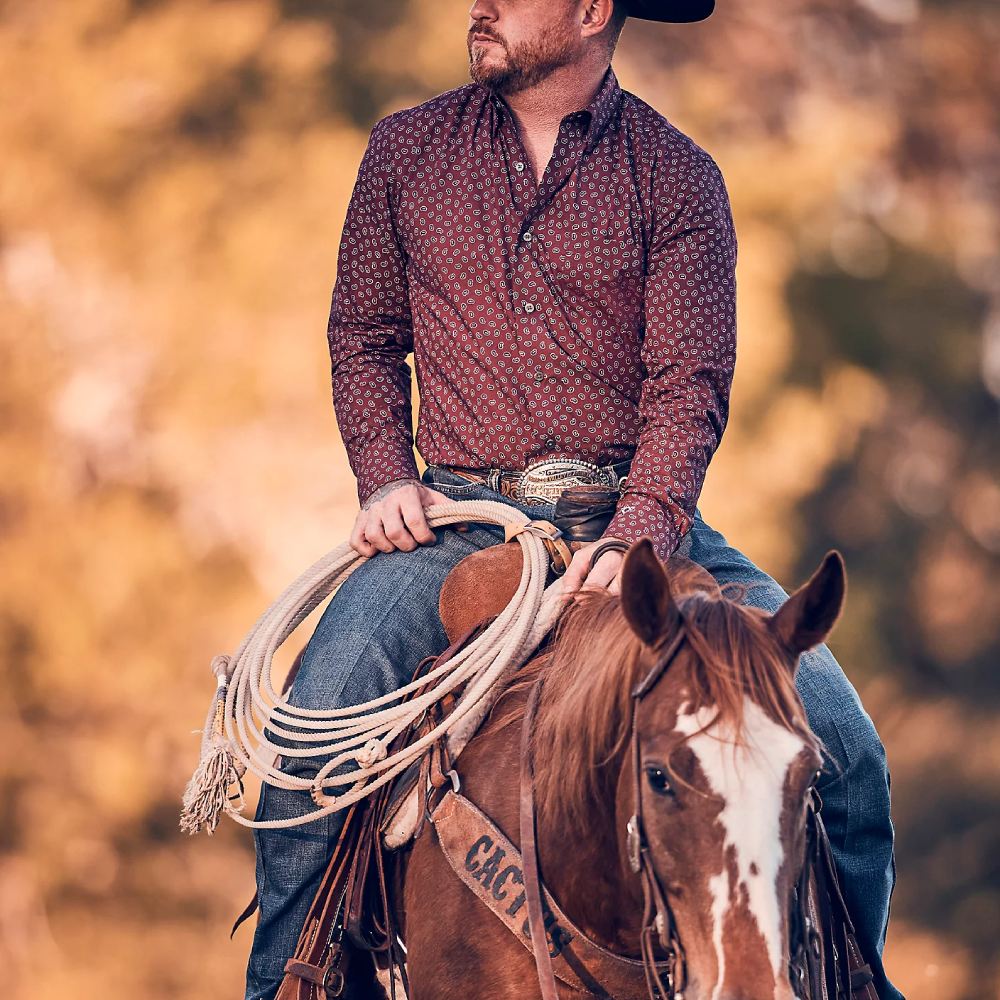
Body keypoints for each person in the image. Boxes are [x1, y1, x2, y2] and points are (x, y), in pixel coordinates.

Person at [244, 2, 903, 998]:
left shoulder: (676, 176)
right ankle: (290, 986)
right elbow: (364, 333)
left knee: (846, 756)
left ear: (592, 10)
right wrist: (384, 474)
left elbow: (688, 385)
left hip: (635, 520)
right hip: (456, 520)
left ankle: (856, 986)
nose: (482, 3)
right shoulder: (405, 151)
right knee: (305, 751)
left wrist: (640, 524)